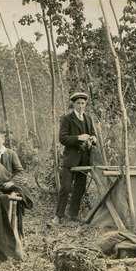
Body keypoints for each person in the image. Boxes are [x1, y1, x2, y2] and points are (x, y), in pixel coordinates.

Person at [54, 92, 97, 224]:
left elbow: (93, 133)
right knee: (66, 187)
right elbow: (62, 138)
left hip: (84, 159)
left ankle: (73, 214)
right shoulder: (67, 119)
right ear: (73, 104)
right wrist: (78, 138)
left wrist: (93, 138)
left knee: (80, 187)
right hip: (70, 159)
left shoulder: (88, 118)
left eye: (83, 103)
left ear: (86, 104)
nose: (80, 106)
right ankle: (59, 216)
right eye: (78, 103)